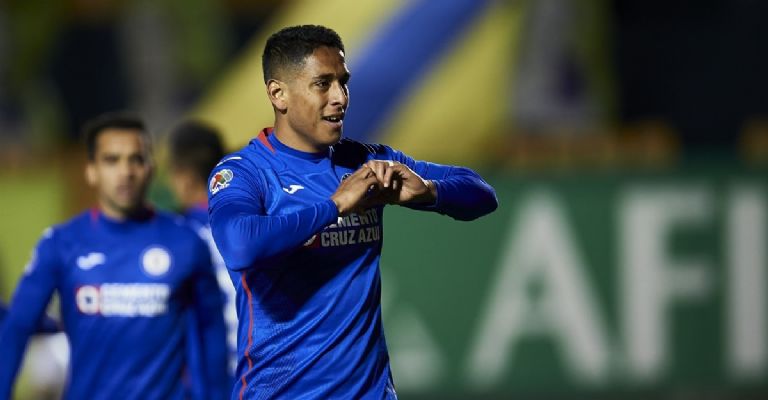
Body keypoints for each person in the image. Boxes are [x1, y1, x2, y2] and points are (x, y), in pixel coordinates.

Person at [208, 25, 498, 399]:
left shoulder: (366, 161)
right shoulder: (245, 172)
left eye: (343, 82)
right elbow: (239, 246)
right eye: (322, 84)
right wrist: (335, 206)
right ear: (278, 94)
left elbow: (481, 193)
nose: (340, 97)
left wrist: (429, 192)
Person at [0, 112, 230, 400]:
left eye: (136, 159)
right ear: (91, 171)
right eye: (112, 160)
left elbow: (210, 337)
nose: (125, 172)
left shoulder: (186, 243)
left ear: (150, 168)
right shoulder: (61, 243)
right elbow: (17, 327)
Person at [168, 120, 238, 374]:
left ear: (184, 177)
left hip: (213, 376)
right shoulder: (256, 221)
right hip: (266, 373)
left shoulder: (177, 235)